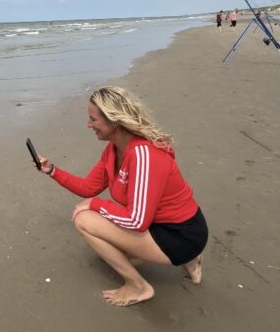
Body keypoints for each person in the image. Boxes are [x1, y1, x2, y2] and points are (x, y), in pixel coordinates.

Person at [34, 86, 208, 307]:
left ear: (113, 121)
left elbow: (136, 220)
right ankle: (191, 261)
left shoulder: (144, 155)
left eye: (93, 119)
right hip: (158, 225)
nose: (89, 125)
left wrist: (95, 204)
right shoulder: (114, 149)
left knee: (84, 220)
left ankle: (139, 286)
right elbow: (89, 187)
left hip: (182, 234)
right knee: (108, 256)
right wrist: (52, 171)